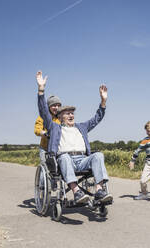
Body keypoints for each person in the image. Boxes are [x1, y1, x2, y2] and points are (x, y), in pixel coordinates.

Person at [36, 71, 112, 204]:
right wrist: (41, 90)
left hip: (82, 159)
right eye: (67, 113)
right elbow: (43, 111)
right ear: (60, 117)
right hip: (66, 160)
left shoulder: (81, 127)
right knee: (64, 157)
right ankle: (77, 192)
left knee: (98, 155)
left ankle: (99, 190)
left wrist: (103, 101)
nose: (71, 115)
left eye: (72, 113)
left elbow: (97, 118)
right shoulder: (54, 127)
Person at [34, 95, 61, 165]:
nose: (56, 108)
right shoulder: (42, 117)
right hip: (45, 148)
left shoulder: (61, 118)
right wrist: (43, 133)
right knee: (45, 165)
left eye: (58, 105)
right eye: (54, 106)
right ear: (49, 107)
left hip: (58, 148)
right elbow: (37, 129)